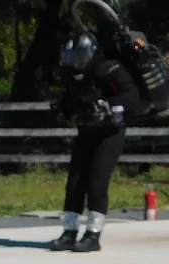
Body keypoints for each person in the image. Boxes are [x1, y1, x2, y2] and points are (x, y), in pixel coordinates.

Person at [49, 29, 141, 251]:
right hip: (87, 131)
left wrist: (109, 105)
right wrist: (62, 107)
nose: (77, 65)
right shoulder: (76, 77)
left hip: (110, 134)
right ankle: (69, 232)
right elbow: (73, 99)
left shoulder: (109, 69)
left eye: (81, 60)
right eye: (74, 61)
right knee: (74, 184)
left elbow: (132, 97)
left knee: (97, 182)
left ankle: (93, 235)